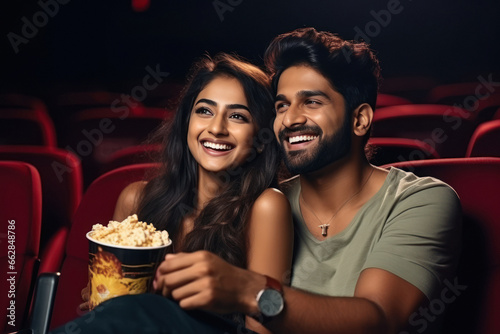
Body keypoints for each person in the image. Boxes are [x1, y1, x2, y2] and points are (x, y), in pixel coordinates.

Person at [51, 28, 461, 334]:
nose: (291, 118)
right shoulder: (261, 198)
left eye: (312, 102)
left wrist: (249, 290)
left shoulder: (420, 200)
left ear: (360, 119)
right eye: (282, 105)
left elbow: (380, 319)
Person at [68, 53, 293, 334]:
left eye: (237, 116)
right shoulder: (135, 199)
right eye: (205, 111)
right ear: (187, 122)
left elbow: (261, 329)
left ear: (261, 140)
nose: (216, 128)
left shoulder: (267, 206)